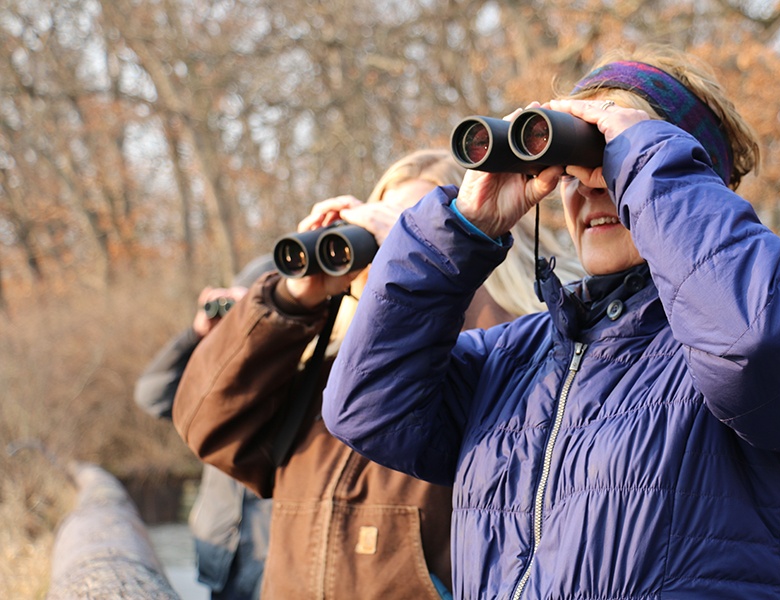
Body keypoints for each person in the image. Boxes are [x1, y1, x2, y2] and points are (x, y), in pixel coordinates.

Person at [322, 44, 780, 599]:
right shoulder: (513, 359)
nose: (591, 185)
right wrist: (462, 228)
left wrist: (640, 153)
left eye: (614, 162)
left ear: (690, 180)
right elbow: (367, 405)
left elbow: (757, 341)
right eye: (574, 167)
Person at [172, 148, 584, 599]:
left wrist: (430, 264)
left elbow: (523, 401)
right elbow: (206, 422)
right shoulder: (324, 375)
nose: (394, 249)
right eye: (385, 230)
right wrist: (291, 300)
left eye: (421, 224)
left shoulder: (515, 354)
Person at [134, 254, 274, 600]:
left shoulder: (305, 372)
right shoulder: (220, 381)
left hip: (276, 568)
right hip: (223, 560)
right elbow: (154, 394)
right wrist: (197, 335)